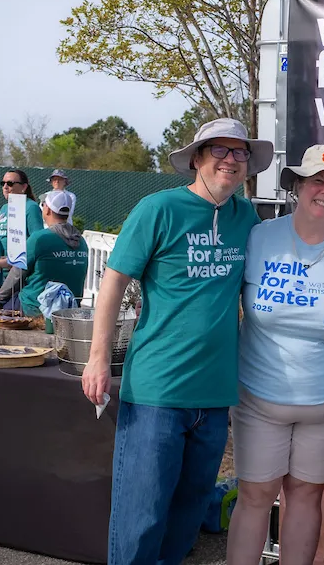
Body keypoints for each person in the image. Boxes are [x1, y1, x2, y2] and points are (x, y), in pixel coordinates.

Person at [80, 118, 273, 565]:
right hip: (157, 391)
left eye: (239, 152)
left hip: (215, 394)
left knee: (186, 518)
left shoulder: (247, 218)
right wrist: (97, 358)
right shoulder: (158, 209)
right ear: (197, 160)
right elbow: (112, 284)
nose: (230, 160)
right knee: (141, 519)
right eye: (219, 151)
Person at [226, 145, 324, 565]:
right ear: (297, 187)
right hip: (259, 395)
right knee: (255, 496)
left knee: (306, 497)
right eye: (317, 181)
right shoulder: (260, 237)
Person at [13, 190, 88, 317]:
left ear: (47, 210)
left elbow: (16, 275)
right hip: (69, 309)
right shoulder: (81, 241)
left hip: (35, 307)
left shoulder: (39, 239)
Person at [0, 168, 44, 243]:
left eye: (10, 183)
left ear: (24, 187)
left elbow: (37, 239)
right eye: (3, 183)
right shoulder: (4, 208)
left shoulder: (30, 207)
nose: (5, 187)